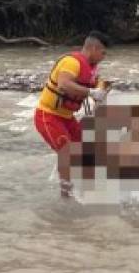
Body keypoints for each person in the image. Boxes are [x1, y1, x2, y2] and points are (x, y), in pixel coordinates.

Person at [34, 32, 111, 198]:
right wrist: (91, 92)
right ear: (93, 48)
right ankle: (66, 198)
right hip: (47, 115)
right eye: (103, 53)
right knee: (67, 152)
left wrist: (102, 91)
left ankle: (88, 189)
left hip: (67, 117)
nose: (104, 57)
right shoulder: (71, 62)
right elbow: (64, 83)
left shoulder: (91, 69)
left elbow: (97, 85)